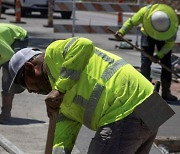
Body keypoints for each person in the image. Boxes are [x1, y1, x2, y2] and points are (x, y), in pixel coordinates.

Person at [9, 37, 169, 154]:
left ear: (30, 68)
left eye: (25, 85)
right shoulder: (62, 103)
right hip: (152, 105)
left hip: (129, 106)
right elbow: (62, 136)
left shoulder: (53, 53)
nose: (30, 91)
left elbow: (84, 44)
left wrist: (60, 88)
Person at [115, 3, 179, 101]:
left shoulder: (172, 25)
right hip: (147, 34)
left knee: (166, 63)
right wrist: (121, 32)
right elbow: (131, 22)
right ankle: (144, 91)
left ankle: (166, 92)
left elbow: (169, 45)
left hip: (164, 38)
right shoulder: (145, 12)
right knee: (145, 62)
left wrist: (159, 56)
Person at [0, 23, 29, 123]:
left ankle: (5, 114)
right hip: (6, 38)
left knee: (7, 75)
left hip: (19, 39)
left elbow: (9, 55)